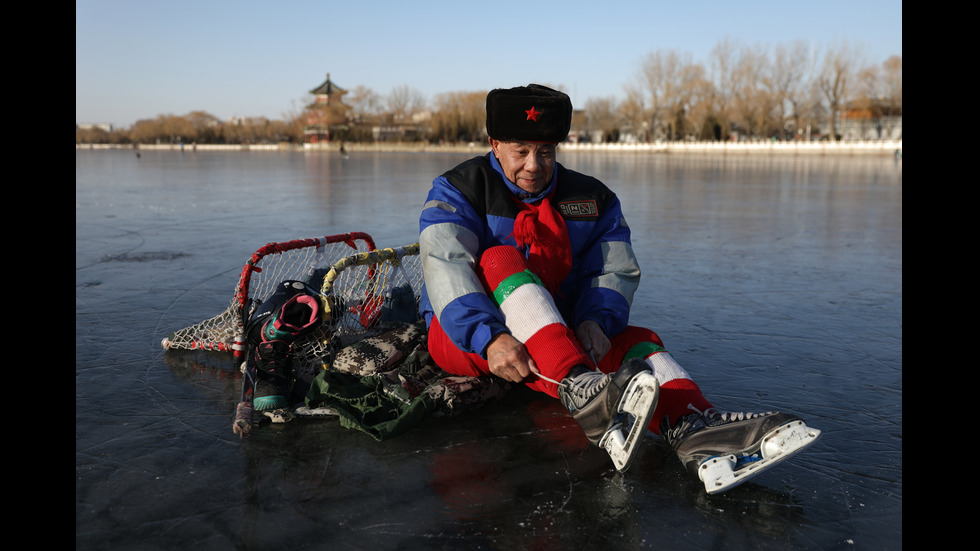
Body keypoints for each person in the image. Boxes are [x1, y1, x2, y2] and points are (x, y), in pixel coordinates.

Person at [417, 84, 820, 494]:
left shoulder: (593, 199)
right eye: (521, 151)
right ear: (495, 144)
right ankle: (584, 393)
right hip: (463, 336)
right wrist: (488, 337)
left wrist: (596, 321)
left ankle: (694, 426)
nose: (535, 165)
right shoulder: (458, 189)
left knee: (639, 342)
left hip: (552, 333)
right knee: (497, 259)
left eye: (546, 151)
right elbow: (445, 264)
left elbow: (613, 270)